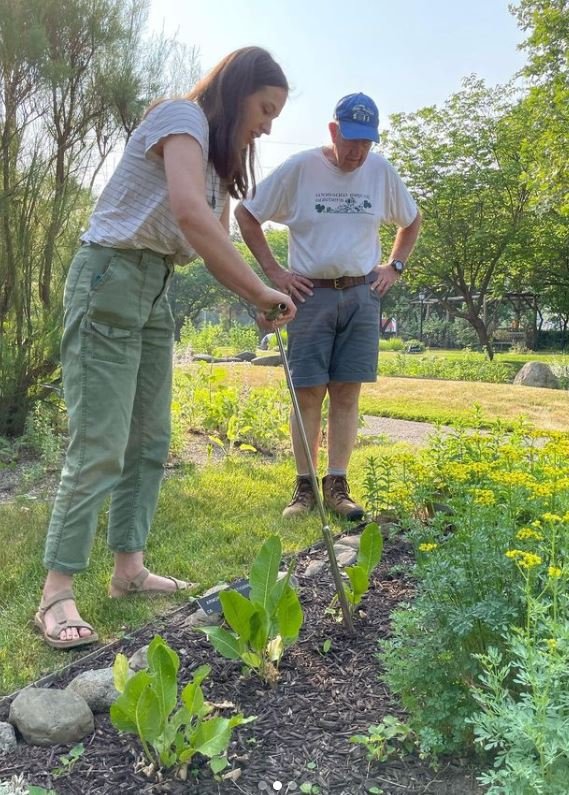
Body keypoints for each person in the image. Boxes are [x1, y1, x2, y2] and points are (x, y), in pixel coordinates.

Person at [36, 47, 295, 650]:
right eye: (264, 108)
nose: (268, 125)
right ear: (236, 93)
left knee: (149, 440)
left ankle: (129, 569)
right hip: (110, 276)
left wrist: (256, 297)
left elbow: (215, 239)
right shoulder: (181, 119)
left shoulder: (216, 162)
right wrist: (262, 286)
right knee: (100, 441)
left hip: (155, 288)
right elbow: (186, 214)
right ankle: (56, 590)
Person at [235, 92, 421, 520]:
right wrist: (275, 272)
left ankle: (337, 484)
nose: (358, 152)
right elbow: (247, 214)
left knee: (346, 392)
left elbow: (411, 220)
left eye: (367, 143)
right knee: (308, 391)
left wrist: (394, 266)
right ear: (333, 131)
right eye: (351, 140)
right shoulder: (301, 168)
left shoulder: (380, 172)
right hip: (310, 294)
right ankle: (304, 489)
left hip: (361, 294)